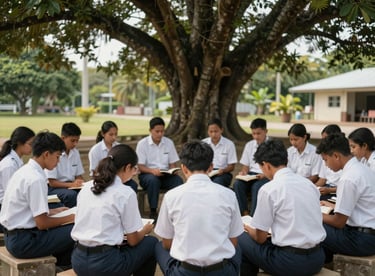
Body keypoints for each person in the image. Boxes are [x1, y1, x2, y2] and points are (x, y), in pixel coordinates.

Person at [238, 139, 326, 276]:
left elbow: (260, 238)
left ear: (266, 166)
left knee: (241, 237)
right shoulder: (309, 185)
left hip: (289, 262)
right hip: (317, 258)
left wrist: (248, 228)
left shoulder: (269, 189)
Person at [154, 140, 243, 275]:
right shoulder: (229, 195)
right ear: (211, 167)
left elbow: (167, 243)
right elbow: (233, 241)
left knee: (158, 246)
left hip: (185, 271)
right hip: (221, 271)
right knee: (240, 247)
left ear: (183, 168)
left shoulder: (171, 196)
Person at [71, 144, 157, 276]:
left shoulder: (86, 187)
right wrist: (145, 230)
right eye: (134, 169)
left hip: (78, 260)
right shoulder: (125, 193)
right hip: (105, 264)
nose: (134, 172)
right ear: (127, 167)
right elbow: (133, 241)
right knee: (151, 243)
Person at [0, 131, 75, 267]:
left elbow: (28, 210)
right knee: (76, 228)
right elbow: (42, 223)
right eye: (57, 157)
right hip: (24, 242)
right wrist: (70, 218)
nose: (58, 162)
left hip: (13, 238)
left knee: (62, 220)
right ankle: (66, 266)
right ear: (46, 154)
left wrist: (55, 211)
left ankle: (61, 265)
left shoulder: (25, 171)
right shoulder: (36, 179)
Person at [317, 133, 375, 262]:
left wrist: (313, 213)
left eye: (326, 160)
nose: (326, 165)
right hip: (368, 235)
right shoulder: (362, 169)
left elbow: (338, 222)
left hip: (361, 239)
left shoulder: (348, 178)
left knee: (313, 225)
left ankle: (312, 263)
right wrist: (332, 206)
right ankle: (325, 261)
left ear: (336, 156)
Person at [136, 117, 183, 219]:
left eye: (162, 131)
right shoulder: (142, 144)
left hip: (165, 175)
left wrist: (173, 170)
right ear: (150, 130)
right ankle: (153, 211)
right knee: (153, 181)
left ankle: (176, 209)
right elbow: (140, 166)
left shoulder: (169, 143)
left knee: (178, 181)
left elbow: (172, 163)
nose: (160, 134)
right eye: (157, 131)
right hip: (147, 175)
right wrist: (152, 171)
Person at [88, 120, 138, 193]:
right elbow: (94, 172)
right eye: (111, 134)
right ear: (103, 133)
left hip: (121, 179)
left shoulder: (119, 147)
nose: (114, 137)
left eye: (116, 134)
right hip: (104, 181)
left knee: (133, 185)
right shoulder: (95, 150)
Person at [233, 118, 269, 216]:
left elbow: (275, 168)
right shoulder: (249, 145)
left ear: (266, 131)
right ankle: (244, 213)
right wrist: (243, 173)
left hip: (266, 175)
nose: (256, 136)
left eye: (259, 133)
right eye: (253, 134)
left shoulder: (271, 145)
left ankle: (253, 216)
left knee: (256, 187)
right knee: (237, 184)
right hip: (251, 175)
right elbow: (246, 166)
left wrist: (264, 175)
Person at [45, 122, 84, 208]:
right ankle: (73, 218)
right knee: (72, 195)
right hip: (53, 188)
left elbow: (79, 175)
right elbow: (52, 183)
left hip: (71, 186)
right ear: (63, 138)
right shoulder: (53, 153)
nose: (75, 144)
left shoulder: (75, 152)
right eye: (72, 140)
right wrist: (72, 185)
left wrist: (81, 183)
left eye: (77, 141)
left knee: (88, 192)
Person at [0, 126, 35, 209]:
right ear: (19, 143)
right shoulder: (9, 165)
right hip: (6, 208)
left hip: (16, 203)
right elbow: (10, 196)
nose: (33, 147)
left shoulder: (18, 159)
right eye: (30, 144)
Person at [202, 118, 237, 187]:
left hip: (223, 173)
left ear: (221, 130)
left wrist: (223, 170)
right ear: (208, 132)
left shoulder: (229, 144)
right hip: (206, 172)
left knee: (217, 182)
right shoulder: (203, 143)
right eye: (211, 132)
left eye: (216, 131)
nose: (213, 134)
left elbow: (232, 166)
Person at [315, 124, 343, 200]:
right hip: (326, 189)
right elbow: (322, 180)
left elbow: (346, 188)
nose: (323, 142)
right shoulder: (325, 155)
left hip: (336, 192)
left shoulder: (344, 159)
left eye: (325, 139)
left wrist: (330, 190)